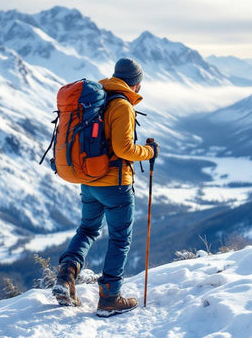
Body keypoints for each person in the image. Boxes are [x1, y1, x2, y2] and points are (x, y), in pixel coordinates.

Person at [52, 58, 159, 317]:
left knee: (87, 229)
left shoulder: (96, 101)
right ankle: (110, 297)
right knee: (120, 239)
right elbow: (124, 149)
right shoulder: (122, 105)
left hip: (89, 181)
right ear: (136, 83)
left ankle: (66, 277)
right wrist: (149, 151)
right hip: (116, 185)